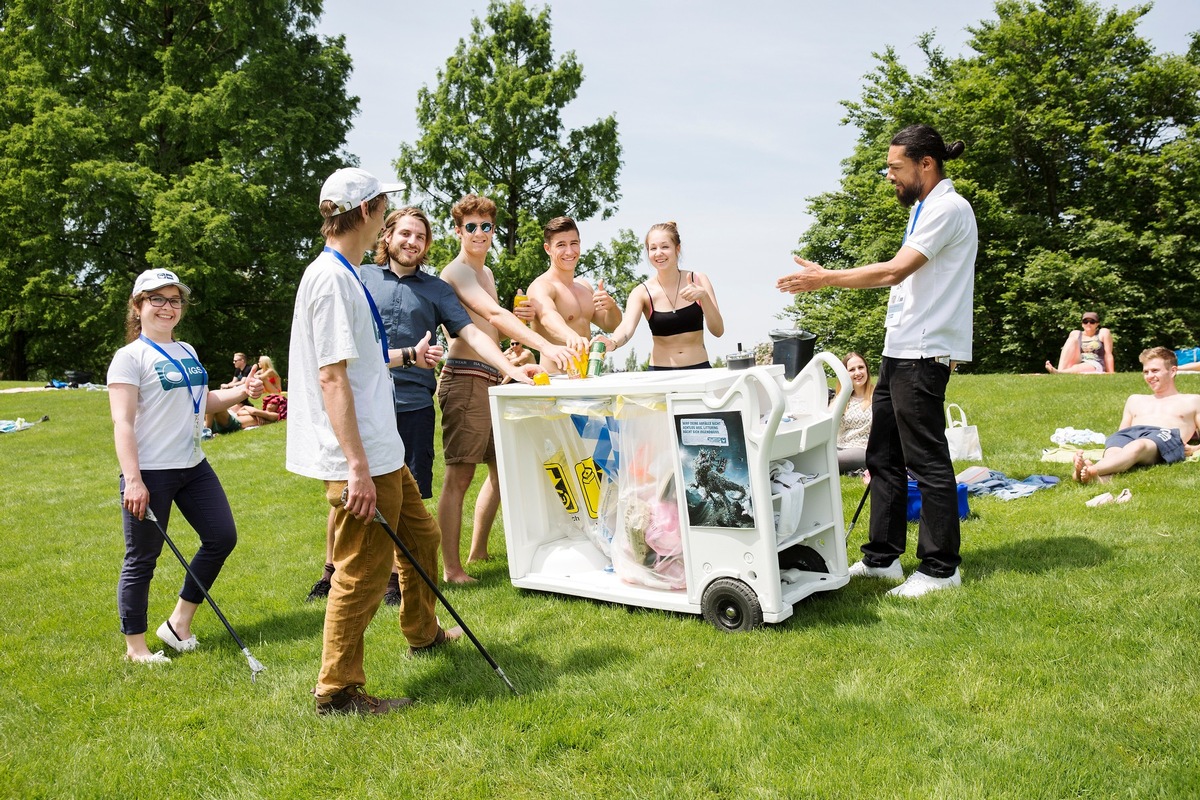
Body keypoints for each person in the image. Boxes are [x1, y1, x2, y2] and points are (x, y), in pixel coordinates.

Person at [287, 167, 461, 716]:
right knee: (361, 573)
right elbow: (331, 377)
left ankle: (422, 631)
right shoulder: (334, 280)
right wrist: (356, 467)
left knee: (423, 539)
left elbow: (359, 363)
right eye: (384, 206)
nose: (388, 215)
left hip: (385, 451)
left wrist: (410, 356)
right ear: (365, 212)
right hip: (361, 458)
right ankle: (337, 691)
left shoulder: (345, 273)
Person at [777, 124, 977, 599]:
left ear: (925, 164)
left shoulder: (948, 208)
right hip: (900, 350)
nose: (889, 176)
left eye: (895, 167)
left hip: (924, 353)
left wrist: (828, 279)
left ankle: (941, 568)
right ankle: (882, 558)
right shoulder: (927, 208)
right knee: (881, 455)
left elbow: (893, 271)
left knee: (927, 459)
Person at [304, 206, 541, 605]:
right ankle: (331, 574)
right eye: (405, 234)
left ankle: (397, 579)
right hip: (363, 402)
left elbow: (472, 332)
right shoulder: (359, 278)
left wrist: (509, 368)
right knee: (349, 489)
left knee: (403, 492)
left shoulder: (436, 289)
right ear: (388, 236)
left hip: (414, 402)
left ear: (427, 245)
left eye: (420, 237)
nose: (412, 242)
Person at [108, 268, 264, 664]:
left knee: (221, 537)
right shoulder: (129, 359)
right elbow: (122, 422)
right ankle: (136, 648)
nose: (167, 307)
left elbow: (201, 403)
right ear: (138, 306)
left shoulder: (188, 351)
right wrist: (133, 481)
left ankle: (179, 624)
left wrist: (242, 391)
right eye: (156, 299)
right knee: (143, 558)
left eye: (174, 300)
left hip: (193, 465)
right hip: (151, 472)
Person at [437, 194, 573, 583]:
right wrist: (544, 344)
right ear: (458, 230)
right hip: (463, 379)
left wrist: (515, 346)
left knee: (502, 472)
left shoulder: (488, 273)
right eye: (471, 227)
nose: (479, 234)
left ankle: (478, 551)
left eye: (486, 227)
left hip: (493, 376)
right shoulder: (458, 272)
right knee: (459, 476)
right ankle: (451, 569)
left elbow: (492, 326)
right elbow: (491, 315)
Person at [601, 221, 724, 369]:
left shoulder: (698, 280)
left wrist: (704, 297)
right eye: (653, 248)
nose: (658, 253)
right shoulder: (641, 292)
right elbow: (626, 327)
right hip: (659, 373)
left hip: (699, 369)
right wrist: (613, 342)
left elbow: (718, 331)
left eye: (665, 247)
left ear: (677, 249)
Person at [1073, 347, 1200, 483]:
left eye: (1155, 371)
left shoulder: (1192, 400)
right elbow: (1122, 433)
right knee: (1114, 452)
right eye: (1146, 372)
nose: (1150, 376)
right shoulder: (1135, 399)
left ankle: (1089, 470)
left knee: (1138, 446)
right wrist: (1115, 448)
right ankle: (1096, 479)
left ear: (1173, 371)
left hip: (1163, 435)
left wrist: (1194, 449)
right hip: (1129, 435)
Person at [518, 216, 622, 373]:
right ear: (548, 249)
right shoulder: (541, 286)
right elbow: (547, 317)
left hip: (588, 377)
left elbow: (611, 325)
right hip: (555, 381)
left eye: (574, 243)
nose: (569, 251)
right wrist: (571, 336)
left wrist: (611, 307)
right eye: (561, 245)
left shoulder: (585, 286)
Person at [836, 352, 874, 474]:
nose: (858, 373)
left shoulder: (878, 396)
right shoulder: (842, 399)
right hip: (839, 446)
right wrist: (841, 395)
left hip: (863, 448)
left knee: (829, 460)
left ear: (867, 370)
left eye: (861, 367)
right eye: (852, 370)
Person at [1045, 312, 1115, 374]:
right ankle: (1060, 370)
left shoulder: (1103, 333)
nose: (1088, 324)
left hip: (1095, 363)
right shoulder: (1076, 334)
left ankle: (1059, 372)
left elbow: (1108, 354)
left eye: (1092, 322)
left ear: (1097, 324)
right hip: (1079, 360)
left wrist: (1110, 372)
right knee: (1072, 340)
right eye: (1085, 321)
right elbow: (1068, 352)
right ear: (1082, 324)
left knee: (1081, 367)